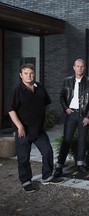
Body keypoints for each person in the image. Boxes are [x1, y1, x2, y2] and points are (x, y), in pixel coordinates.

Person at [8, 63, 63, 192]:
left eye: (31, 73)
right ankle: (26, 181)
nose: (29, 76)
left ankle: (47, 175)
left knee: (47, 151)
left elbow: (46, 104)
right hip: (24, 130)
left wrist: (43, 120)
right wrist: (19, 126)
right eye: (26, 73)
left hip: (38, 129)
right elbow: (11, 110)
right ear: (21, 75)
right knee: (23, 157)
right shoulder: (17, 90)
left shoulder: (39, 87)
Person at [54, 59, 89, 177]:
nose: (79, 68)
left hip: (83, 115)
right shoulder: (67, 81)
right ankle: (59, 167)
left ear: (84, 68)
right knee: (66, 140)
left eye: (82, 66)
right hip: (71, 114)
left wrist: (88, 116)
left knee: (82, 141)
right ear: (74, 67)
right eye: (77, 66)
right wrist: (66, 108)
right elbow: (62, 96)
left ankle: (80, 166)